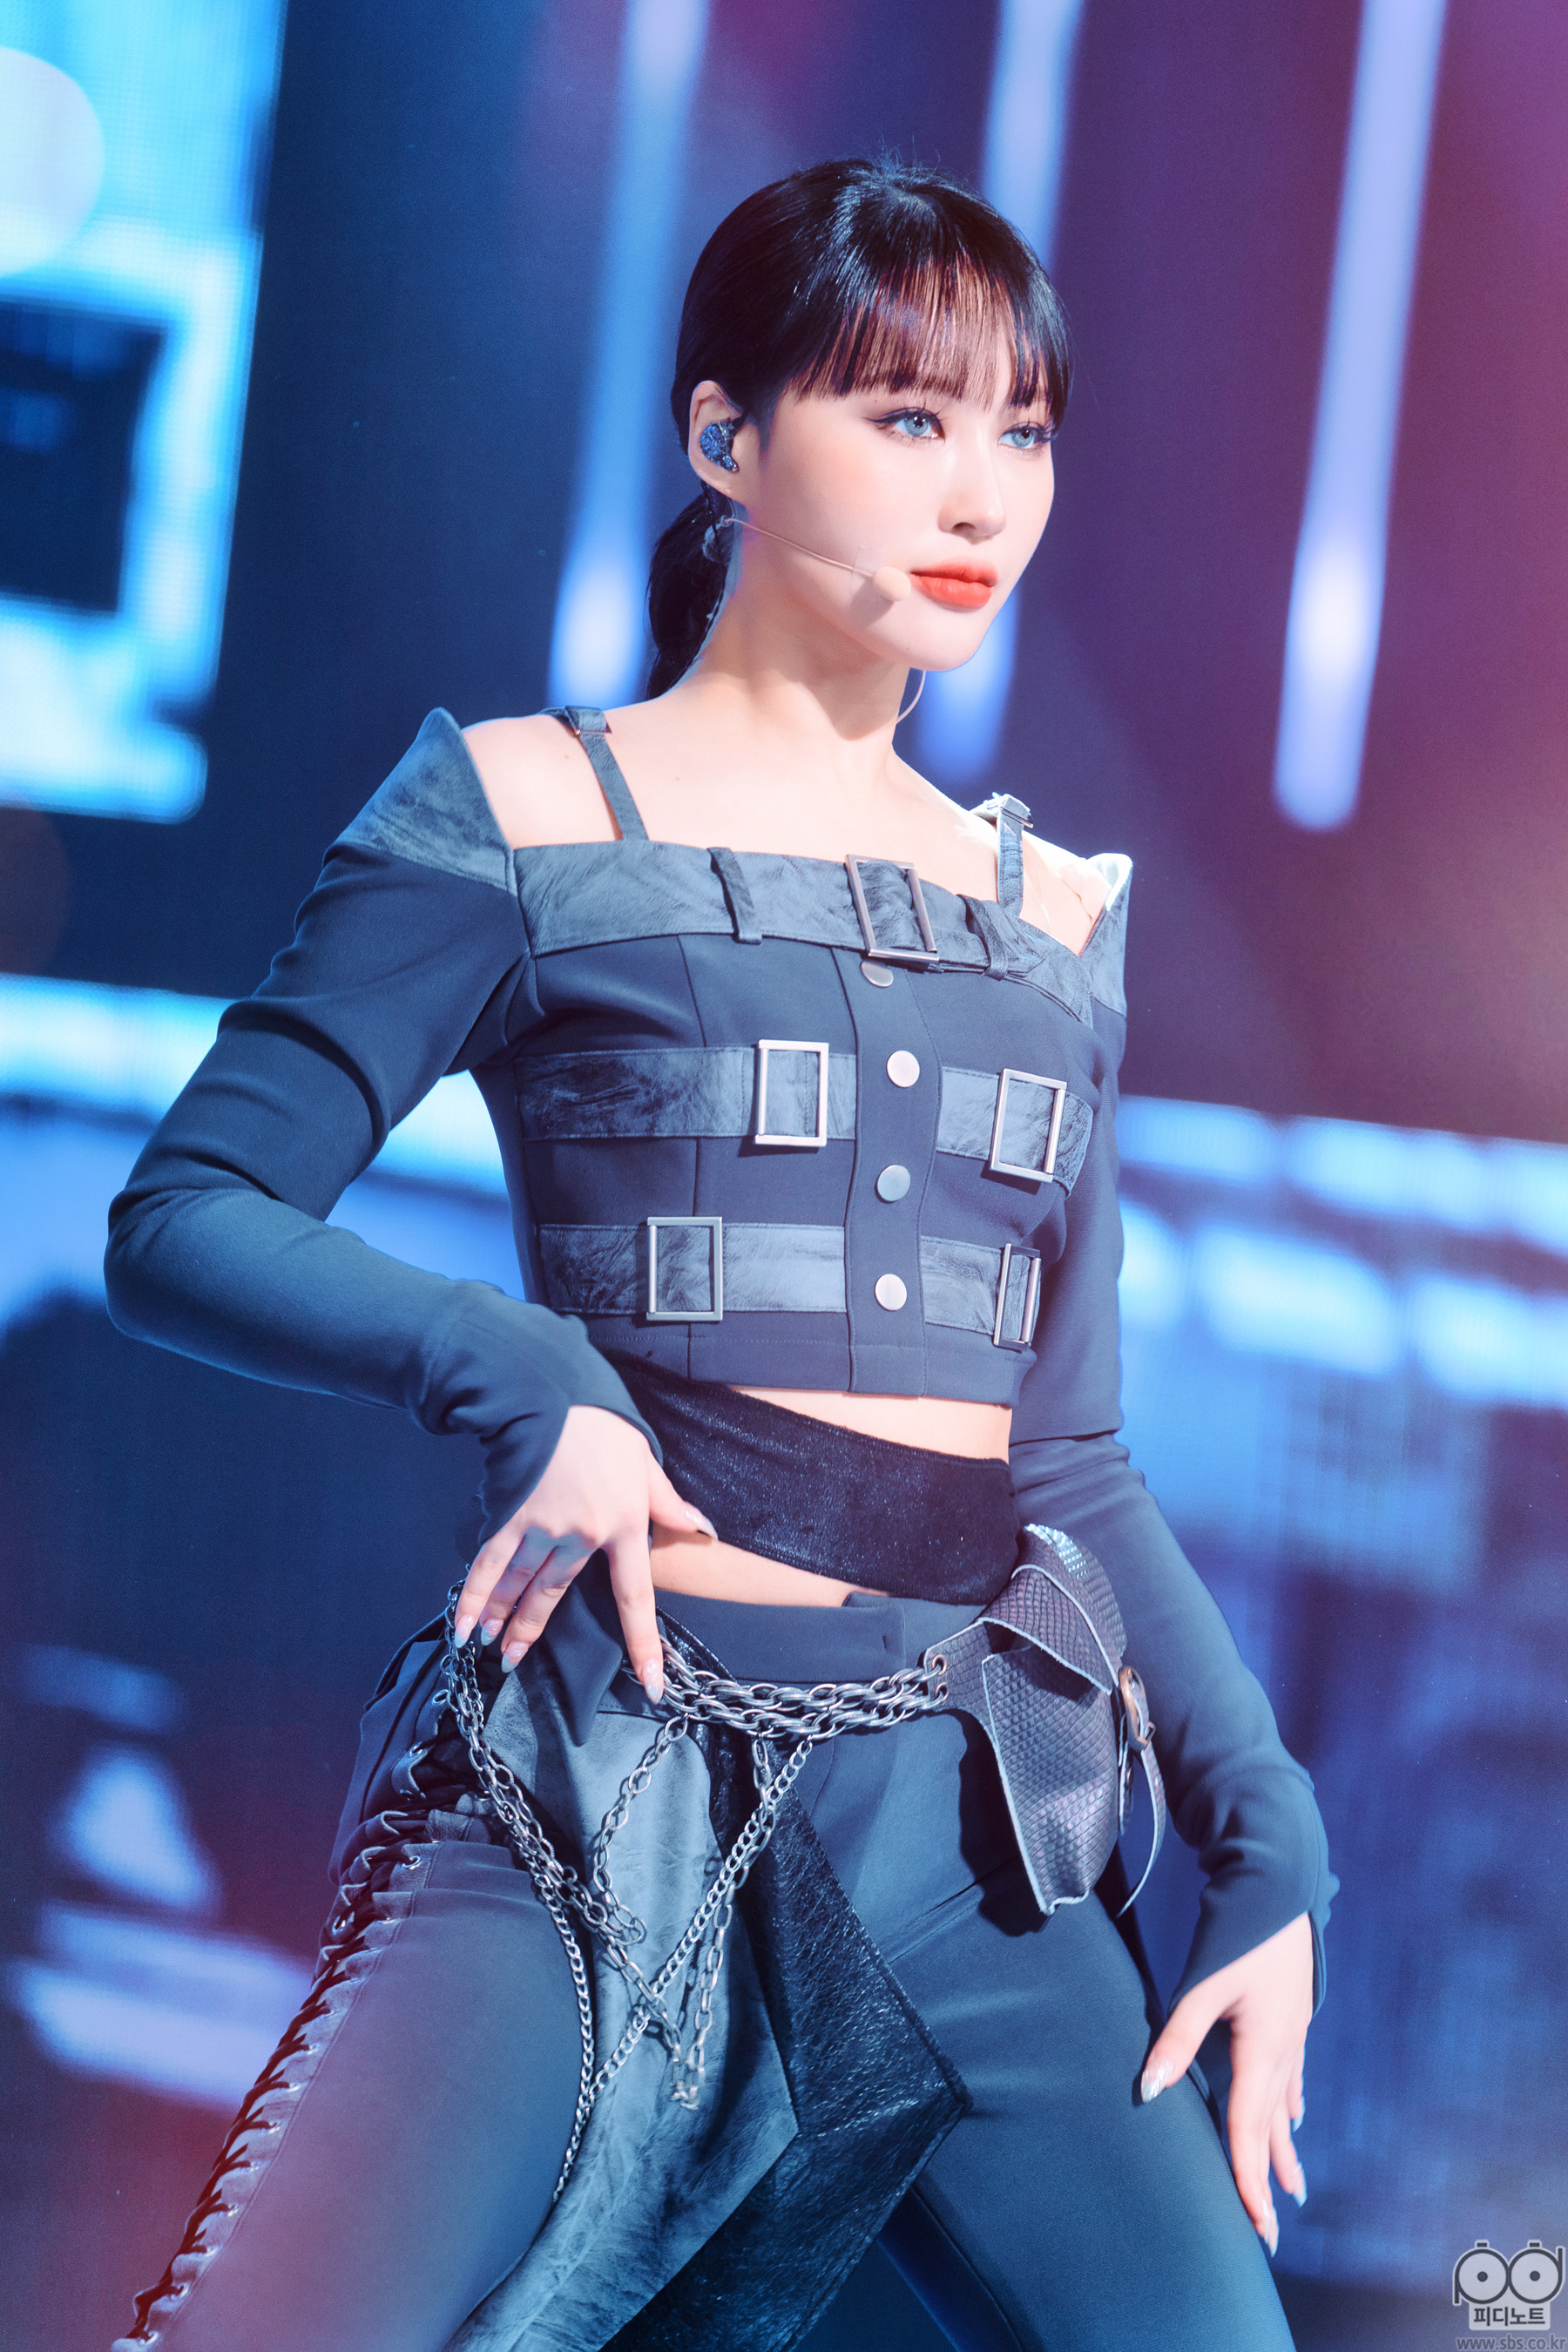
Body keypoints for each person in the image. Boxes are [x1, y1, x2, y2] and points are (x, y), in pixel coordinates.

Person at [105, 159, 1332, 2352]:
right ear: (724, 438)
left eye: (1023, 428)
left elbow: (1067, 1459)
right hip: (591, 1787)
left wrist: (1271, 1848)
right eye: (906, 415)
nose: (980, 493)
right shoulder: (521, 813)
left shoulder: (1052, 919)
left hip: (970, 1838)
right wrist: (523, 1373)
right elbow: (186, 1217)